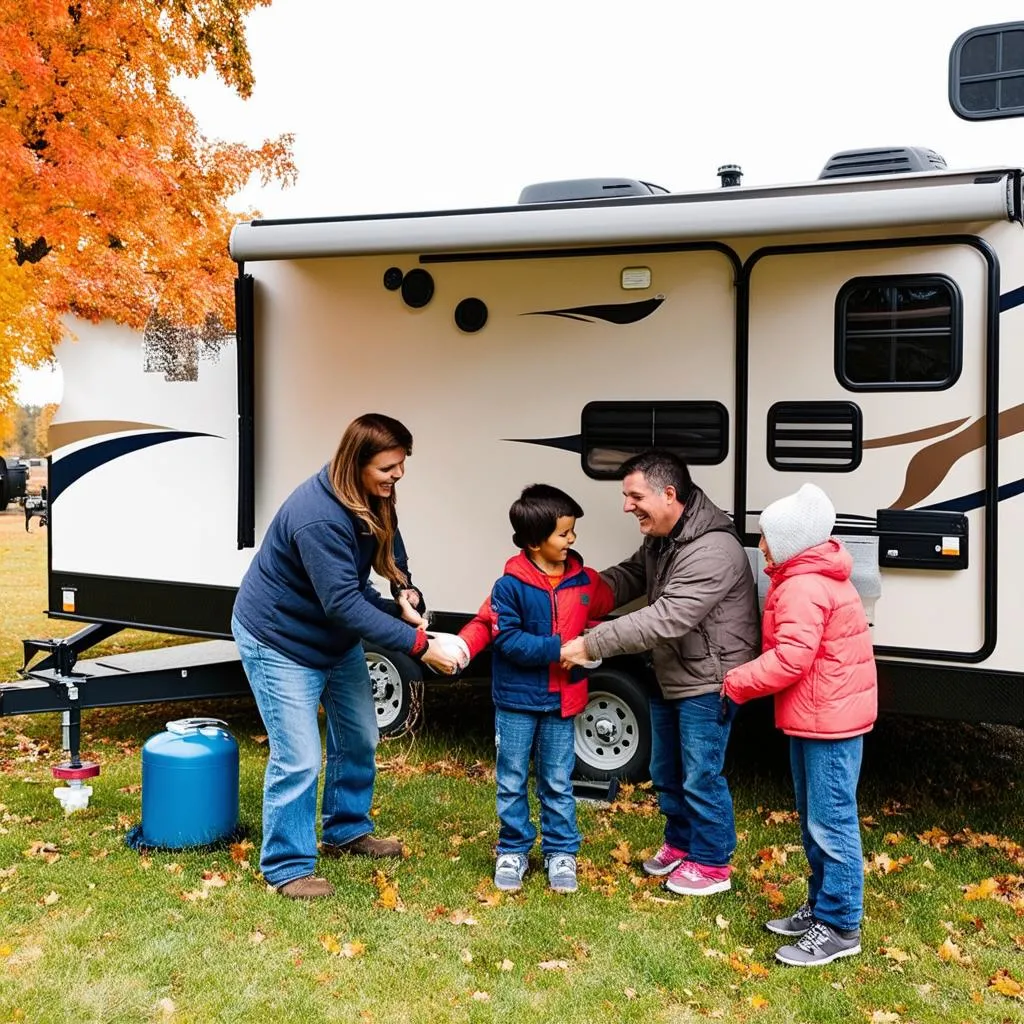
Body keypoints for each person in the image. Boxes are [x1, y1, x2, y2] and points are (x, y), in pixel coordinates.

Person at [231, 413, 459, 900]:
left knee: (359, 734)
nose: (397, 477)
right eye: (388, 468)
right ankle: (287, 866)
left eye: (401, 466)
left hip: (331, 634)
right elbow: (344, 603)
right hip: (280, 639)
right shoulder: (318, 515)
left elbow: (389, 540)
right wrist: (420, 646)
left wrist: (405, 589)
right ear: (355, 462)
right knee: (299, 758)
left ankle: (345, 830)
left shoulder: (371, 495)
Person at [560, 449, 760, 896]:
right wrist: (574, 593)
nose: (626, 506)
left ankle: (712, 863)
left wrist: (590, 644)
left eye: (634, 496)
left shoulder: (714, 549)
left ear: (669, 494)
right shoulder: (664, 537)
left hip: (709, 677)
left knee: (700, 772)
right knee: (665, 768)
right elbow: (631, 576)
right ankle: (681, 842)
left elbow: (665, 617)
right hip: (671, 668)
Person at [723, 483, 876, 967]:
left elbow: (791, 659)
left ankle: (839, 926)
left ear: (789, 541)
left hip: (828, 720)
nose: (761, 545)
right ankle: (822, 908)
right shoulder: (814, 577)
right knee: (818, 822)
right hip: (822, 716)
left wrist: (735, 682)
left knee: (831, 825)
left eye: (766, 536)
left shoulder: (803, 586)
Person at [456, 484, 616, 894]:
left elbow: (598, 616)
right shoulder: (510, 586)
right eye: (563, 533)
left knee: (558, 779)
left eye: (572, 531)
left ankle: (561, 851)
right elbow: (506, 639)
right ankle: (513, 848)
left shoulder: (583, 580)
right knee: (511, 777)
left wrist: (593, 646)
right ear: (533, 541)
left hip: (563, 702)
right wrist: (558, 649)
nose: (572, 540)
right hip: (516, 702)